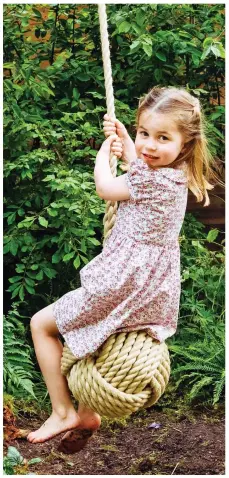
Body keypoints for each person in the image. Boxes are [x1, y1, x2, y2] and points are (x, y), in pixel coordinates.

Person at [27, 86, 219, 449]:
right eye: (145, 133)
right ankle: (86, 414)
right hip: (152, 289)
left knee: (41, 325)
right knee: (102, 338)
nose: (149, 145)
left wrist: (104, 152)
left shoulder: (147, 178)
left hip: (121, 284)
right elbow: (142, 166)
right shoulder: (174, 175)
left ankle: (62, 411)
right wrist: (128, 142)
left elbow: (106, 187)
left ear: (186, 144)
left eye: (163, 137)